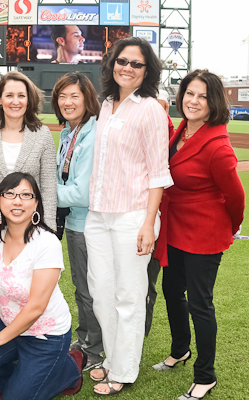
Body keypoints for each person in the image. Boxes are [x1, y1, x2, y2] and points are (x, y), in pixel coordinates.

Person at [84, 36, 173, 395]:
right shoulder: (106, 105)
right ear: (112, 63)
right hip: (98, 215)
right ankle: (111, 358)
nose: (128, 68)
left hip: (133, 215)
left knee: (129, 296)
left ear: (147, 70)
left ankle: (123, 370)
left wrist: (149, 222)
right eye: (122, 61)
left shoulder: (151, 108)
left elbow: (158, 171)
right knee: (101, 294)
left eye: (136, 64)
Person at [153, 70, 245, 400]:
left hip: (204, 232)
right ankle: (180, 350)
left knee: (200, 304)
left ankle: (206, 376)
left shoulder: (218, 146)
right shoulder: (183, 130)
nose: (193, 101)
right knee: (171, 289)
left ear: (214, 102)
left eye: (203, 96)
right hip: (175, 226)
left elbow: (236, 198)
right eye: (190, 93)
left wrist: (229, 228)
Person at [0, 172, 85, 399]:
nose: (17, 201)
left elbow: (37, 306)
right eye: (10, 194)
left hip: (46, 335)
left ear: (36, 203)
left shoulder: (47, 243)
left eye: (26, 195)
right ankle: (28, 380)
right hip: (10, 327)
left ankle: (67, 369)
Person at [0, 71, 56, 256]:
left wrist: (48, 228)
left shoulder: (43, 135)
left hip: (31, 223)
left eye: (21, 96)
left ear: (28, 100)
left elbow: (48, 186)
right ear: (0, 99)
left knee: (29, 281)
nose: (15, 101)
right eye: (9, 95)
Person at [52, 72, 102, 370]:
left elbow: (82, 192)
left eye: (75, 96)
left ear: (87, 99)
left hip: (90, 224)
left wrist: (41, 192)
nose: (68, 102)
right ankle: (86, 338)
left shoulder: (92, 131)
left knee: (89, 290)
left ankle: (94, 349)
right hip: (74, 222)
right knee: (81, 286)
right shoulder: (69, 132)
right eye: (62, 96)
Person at [145, 88, 175, 337]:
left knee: (147, 283)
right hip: (130, 214)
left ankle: (139, 336)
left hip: (160, 223)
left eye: (162, 106)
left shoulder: (173, 139)